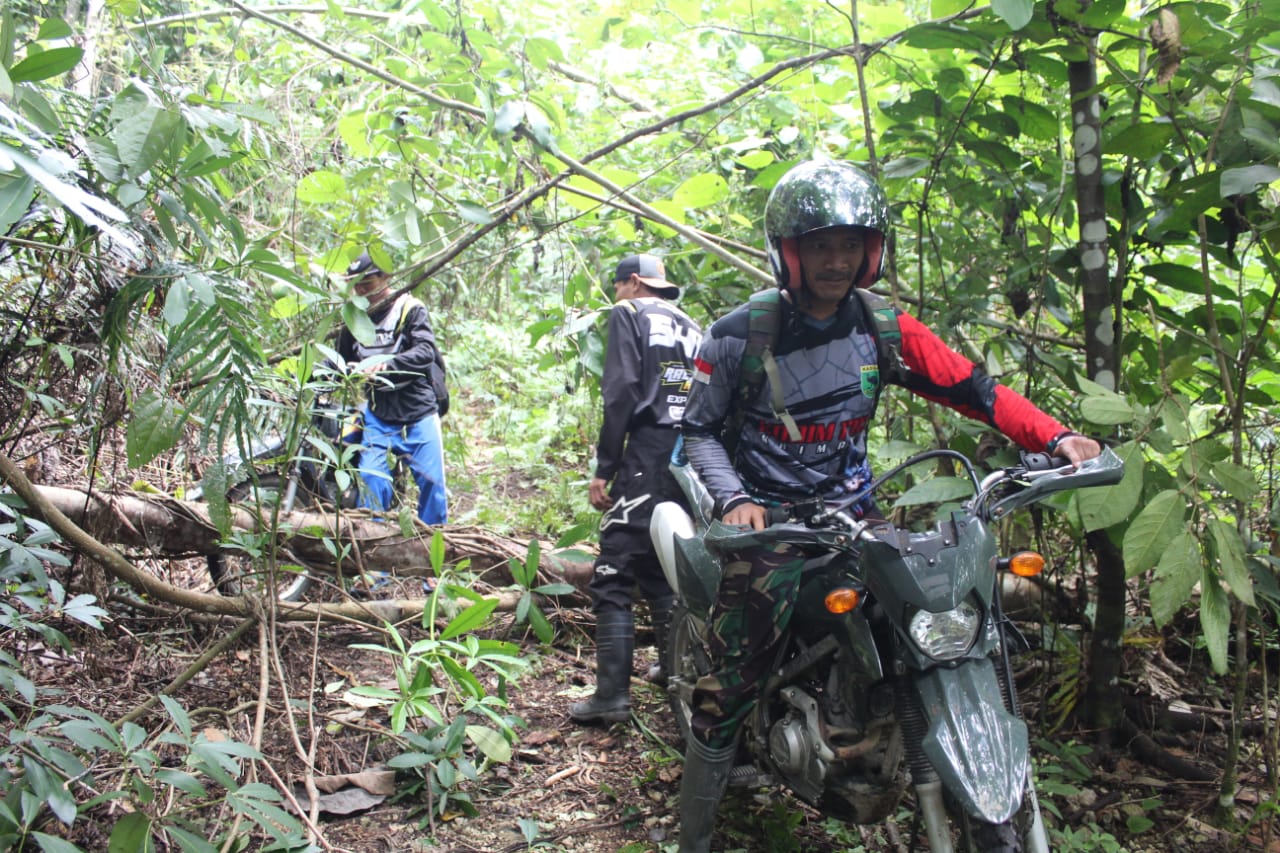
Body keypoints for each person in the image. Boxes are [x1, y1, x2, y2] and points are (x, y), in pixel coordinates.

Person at [673, 160, 1102, 852]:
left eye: (849, 244)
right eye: (819, 245)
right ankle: (692, 830)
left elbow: (974, 388)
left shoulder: (882, 326)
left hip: (854, 514)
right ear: (790, 251)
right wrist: (738, 500)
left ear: (870, 250)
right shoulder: (741, 333)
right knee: (734, 674)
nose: (836, 260)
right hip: (773, 525)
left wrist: (1055, 437)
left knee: (927, 626)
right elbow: (696, 429)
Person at [569, 254, 703, 725]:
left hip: (648, 451)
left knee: (614, 569)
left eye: (617, 284)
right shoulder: (692, 324)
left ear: (631, 283)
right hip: (690, 456)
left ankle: (611, 696)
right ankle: (672, 669)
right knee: (661, 564)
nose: (616, 293)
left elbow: (622, 390)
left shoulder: (629, 313)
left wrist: (605, 467)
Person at [334, 251, 448, 527]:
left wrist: (387, 365)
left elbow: (425, 351)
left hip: (417, 411)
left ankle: (433, 555)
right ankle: (375, 560)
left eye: (368, 282)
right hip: (378, 412)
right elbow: (341, 357)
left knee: (433, 487)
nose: (361, 289)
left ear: (386, 278)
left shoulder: (409, 308)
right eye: (356, 284)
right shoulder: (354, 316)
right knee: (371, 481)